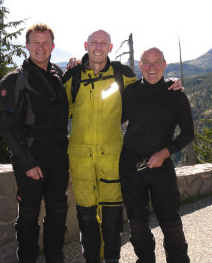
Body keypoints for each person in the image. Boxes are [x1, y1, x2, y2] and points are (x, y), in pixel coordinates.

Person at [63, 31, 182, 263]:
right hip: (80, 157)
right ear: (86, 45)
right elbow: (60, 110)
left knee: (112, 217)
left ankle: (111, 260)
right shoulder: (72, 77)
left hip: (112, 156)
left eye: (103, 43)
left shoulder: (122, 74)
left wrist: (170, 82)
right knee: (86, 216)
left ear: (111, 46)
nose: (98, 48)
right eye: (94, 43)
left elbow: (147, 85)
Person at [0, 23, 69, 263]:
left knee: (58, 214)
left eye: (46, 43)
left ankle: (55, 258)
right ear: (27, 46)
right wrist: (27, 162)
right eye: (36, 43)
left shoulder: (57, 74)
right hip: (31, 158)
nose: (41, 48)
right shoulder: (14, 80)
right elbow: (9, 128)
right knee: (28, 217)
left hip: (59, 158)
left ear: (53, 46)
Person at [119, 47, 194, 263]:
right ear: (140, 65)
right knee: (137, 224)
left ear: (164, 64)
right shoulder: (130, 93)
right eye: (146, 62)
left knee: (171, 222)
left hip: (162, 169)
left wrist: (165, 152)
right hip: (131, 169)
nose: (151, 67)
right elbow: (112, 119)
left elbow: (188, 133)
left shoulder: (176, 95)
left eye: (156, 62)